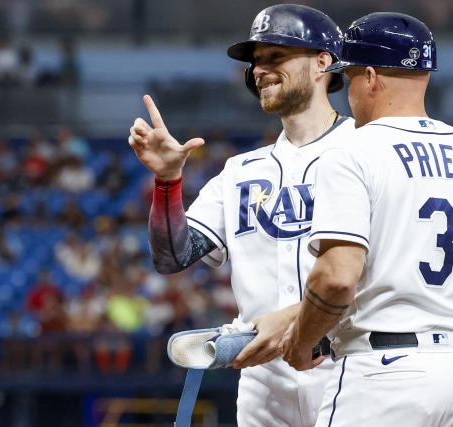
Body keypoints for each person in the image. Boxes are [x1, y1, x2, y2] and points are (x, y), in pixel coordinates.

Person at [280, 12, 453, 427]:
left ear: (371, 77)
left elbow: (337, 277)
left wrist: (305, 339)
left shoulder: (351, 153)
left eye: (350, 81)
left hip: (382, 376)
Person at [128, 4, 355, 426]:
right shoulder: (241, 171)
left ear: (324, 61)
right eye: (256, 61)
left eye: (277, 56)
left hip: (350, 362)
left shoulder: (367, 151)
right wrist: (168, 181)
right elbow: (171, 256)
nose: (260, 70)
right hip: (262, 379)